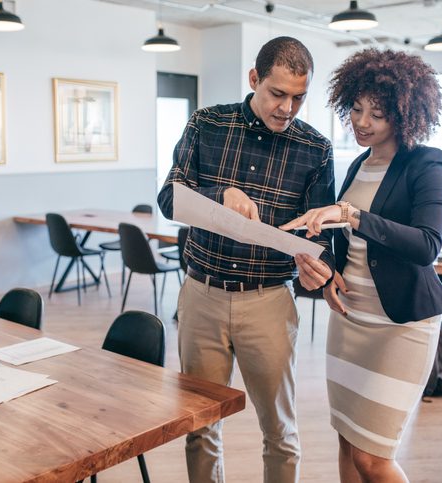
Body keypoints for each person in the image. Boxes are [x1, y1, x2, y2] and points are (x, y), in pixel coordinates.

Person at [157, 36, 335, 483]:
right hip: (202, 295)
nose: (287, 108)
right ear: (254, 79)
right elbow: (168, 198)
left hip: (269, 301)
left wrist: (318, 268)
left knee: (280, 432)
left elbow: (321, 236)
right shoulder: (206, 124)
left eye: (299, 97)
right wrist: (221, 195)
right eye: (277, 93)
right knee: (200, 425)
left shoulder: (316, 150)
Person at [281, 48, 442, 482]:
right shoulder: (360, 162)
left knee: (373, 459)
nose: (361, 122)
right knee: (347, 437)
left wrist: (354, 215)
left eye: (376, 115)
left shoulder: (426, 163)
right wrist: (328, 275)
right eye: (356, 109)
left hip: (400, 326)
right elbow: (347, 239)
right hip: (351, 317)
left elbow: (427, 245)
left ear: (403, 114)